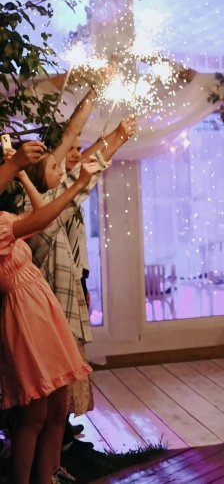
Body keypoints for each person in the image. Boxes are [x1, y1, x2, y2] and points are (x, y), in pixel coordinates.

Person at [23, 114, 136, 455]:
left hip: (61, 302)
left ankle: (57, 465)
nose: (66, 164)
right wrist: (116, 136)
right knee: (44, 410)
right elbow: (77, 184)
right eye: (55, 164)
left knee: (57, 409)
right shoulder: (35, 216)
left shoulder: (47, 207)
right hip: (46, 315)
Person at [0, 141, 98, 484]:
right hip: (24, 315)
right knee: (35, 413)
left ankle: (48, 478)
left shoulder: (4, 218)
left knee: (57, 404)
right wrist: (78, 183)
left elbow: (41, 216)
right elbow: (44, 217)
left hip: (41, 308)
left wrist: (22, 173)